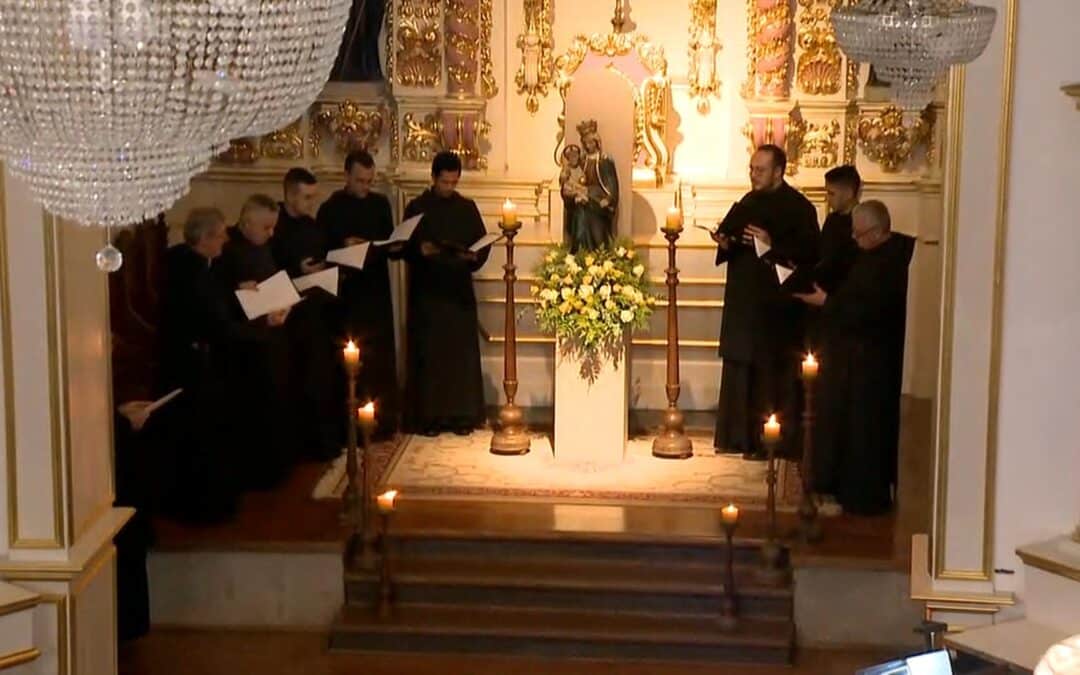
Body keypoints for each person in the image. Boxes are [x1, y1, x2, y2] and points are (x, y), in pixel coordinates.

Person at [160, 207, 287, 522]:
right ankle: (208, 508)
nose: (226, 239)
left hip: (205, 358)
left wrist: (237, 295)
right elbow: (215, 324)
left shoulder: (199, 266)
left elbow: (216, 304)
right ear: (204, 238)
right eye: (220, 234)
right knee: (206, 439)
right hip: (195, 367)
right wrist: (262, 329)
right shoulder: (190, 273)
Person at [794, 200, 915, 515]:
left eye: (859, 234)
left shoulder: (890, 262)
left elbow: (870, 310)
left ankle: (862, 497)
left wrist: (826, 302)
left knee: (864, 432)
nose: (855, 240)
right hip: (852, 356)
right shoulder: (869, 254)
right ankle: (834, 483)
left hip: (872, 363)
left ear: (877, 232)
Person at [711, 144, 819, 459]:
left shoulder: (799, 208)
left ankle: (770, 440)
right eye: (751, 169)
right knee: (741, 362)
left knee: (771, 370)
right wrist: (725, 242)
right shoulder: (748, 201)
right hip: (744, 298)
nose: (753, 175)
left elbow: (809, 253)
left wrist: (772, 243)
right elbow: (736, 245)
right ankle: (737, 437)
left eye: (760, 170)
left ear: (778, 172)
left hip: (777, 305)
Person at [399, 151, 490, 436]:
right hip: (428, 293)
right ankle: (429, 417)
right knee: (430, 356)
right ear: (433, 178)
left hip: (458, 291)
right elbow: (402, 246)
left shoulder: (467, 207)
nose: (450, 188)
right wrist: (420, 249)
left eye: (454, 182)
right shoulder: (416, 208)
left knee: (459, 356)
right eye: (445, 182)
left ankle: (461, 416)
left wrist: (472, 255)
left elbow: (482, 244)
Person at [318, 150, 400, 439]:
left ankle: (381, 421)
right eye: (360, 181)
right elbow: (324, 251)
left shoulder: (380, 203)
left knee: (378, 356)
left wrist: (382, 245)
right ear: (346, 177)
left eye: (369, 181)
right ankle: (347, 426)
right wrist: (345, 245)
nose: (365, 187)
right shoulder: (330, 208)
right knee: (350, 359)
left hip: (375, 289)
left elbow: (388, 241)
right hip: (347, 295)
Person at [215, 194, 296, 487]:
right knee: (256, 411)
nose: (271, 234)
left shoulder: (261, 246)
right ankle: (258, 474)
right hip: (247, 347)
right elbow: (223, 303)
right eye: (266, 228)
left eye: (273, 227)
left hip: (272, 338)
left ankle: (276, 468)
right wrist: (246, 298)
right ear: (247, 222)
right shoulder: (227, 250)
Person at [271, 168, 342, 460]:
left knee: (319, 378)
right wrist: (297, 271)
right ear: (289, 194)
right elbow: (267, 268)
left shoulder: (313, 227)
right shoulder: (274, 226)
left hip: (315, 313)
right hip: (286, 318)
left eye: (315, 196)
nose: (312, 203)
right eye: (307, 197)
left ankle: (321, 444)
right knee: (293, 381)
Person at [816, 165, 861, 294]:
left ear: (848, 193)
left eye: (832, 193)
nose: (828, 199)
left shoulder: (861, 221)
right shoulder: (832, 219)